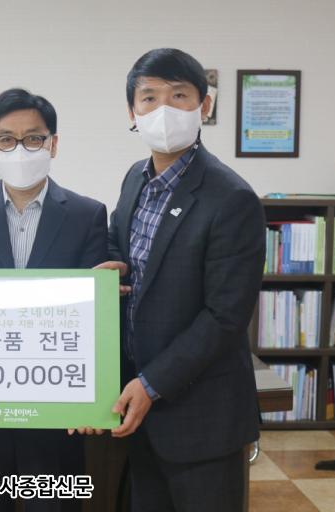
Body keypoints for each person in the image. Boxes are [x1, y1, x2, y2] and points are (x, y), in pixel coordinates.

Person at [105, 48, 266, 511]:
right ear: (132, 113)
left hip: (201, 419)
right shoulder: (135, 178)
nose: (164, 109)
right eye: (149, 98)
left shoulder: (231, 197)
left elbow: (225, 316)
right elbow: (118, 241)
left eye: (178, 96)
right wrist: (110, 268)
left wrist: (150, 383)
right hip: (140, 411)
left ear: (204, 105)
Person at [0, 88, 108, 511]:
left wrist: (96, 400)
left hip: (59, 421)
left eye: (33, 138)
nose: (20, 149)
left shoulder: (87, 214)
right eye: (7, 139)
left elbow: (96, 318)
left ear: (53, 143)